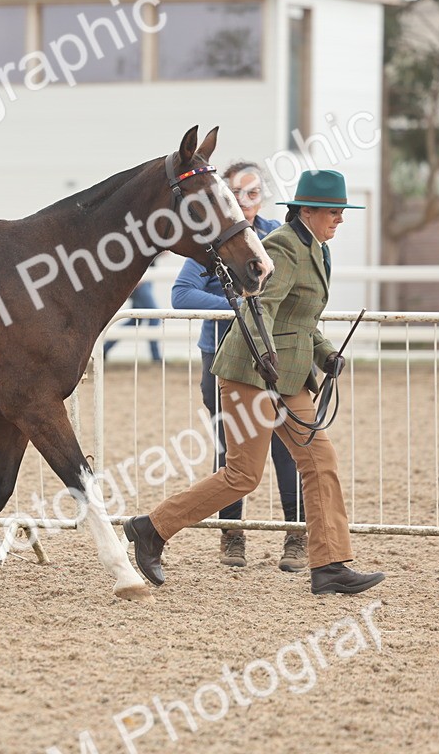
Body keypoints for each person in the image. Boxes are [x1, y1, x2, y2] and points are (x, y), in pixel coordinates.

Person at [124, 169, 385, 595]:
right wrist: (265, 355)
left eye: (341, 212)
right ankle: (151, 528)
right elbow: (259, 306)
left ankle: (330, 565)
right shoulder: (283, 244)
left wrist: (326, 355)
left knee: (321, 462)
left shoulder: (317, 250)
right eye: (334, 212)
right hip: (251, 374)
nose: (340, 219)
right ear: (308, 211)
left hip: (289, 378)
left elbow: (301, 320)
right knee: (242, 476)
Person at [172, 162, 304, 571]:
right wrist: (241, 309)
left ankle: (296, 536)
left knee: (288, 446)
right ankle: (232, 536)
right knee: (231, 451)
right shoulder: (211, 242)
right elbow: (182, 294)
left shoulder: (277, 238)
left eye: (252, 192)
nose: (245, 201)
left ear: (262, 195)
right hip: (224, 359)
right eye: (237, 193)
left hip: (274, 357)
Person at [103, 280, 162, 362]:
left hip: (145, 282)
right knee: (155, 316)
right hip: (142, 283)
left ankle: (105, 349)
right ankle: (156, 357)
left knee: (135, 320)